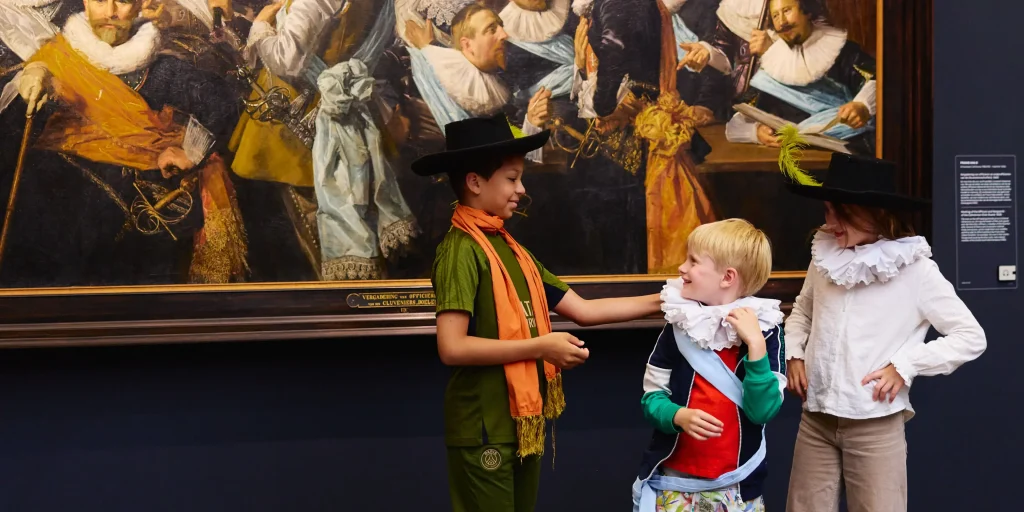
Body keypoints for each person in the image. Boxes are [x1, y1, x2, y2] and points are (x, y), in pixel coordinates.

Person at [415, 113, 663, 512]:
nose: (522, 189)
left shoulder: (513, 251)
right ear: (475, 182)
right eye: (512, 178)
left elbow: (583, 309)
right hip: (484, 426)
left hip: (521, 423)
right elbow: (452, 347)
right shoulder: (460, 250)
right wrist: (540, 347)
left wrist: (668, 300)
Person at [780, 152, 988, 512]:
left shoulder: (916, 270)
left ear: (871, 213)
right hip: (816, 418)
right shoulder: (825, 258)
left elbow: (970, 336)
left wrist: (905, 365)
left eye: (838, 212)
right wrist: (795, 353)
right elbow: (802, 311)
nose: (829, 222)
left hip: (874, 423)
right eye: (827, 210)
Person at [631, 218, 785, 512]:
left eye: (693, 261)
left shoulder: (767, 330)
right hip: (674, 485)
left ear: (727, 277)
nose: (682, 268)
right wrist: (677, 415)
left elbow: (763, 411)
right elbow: (652, 398)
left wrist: (756, 345)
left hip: (738, 489)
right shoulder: (680, 323)